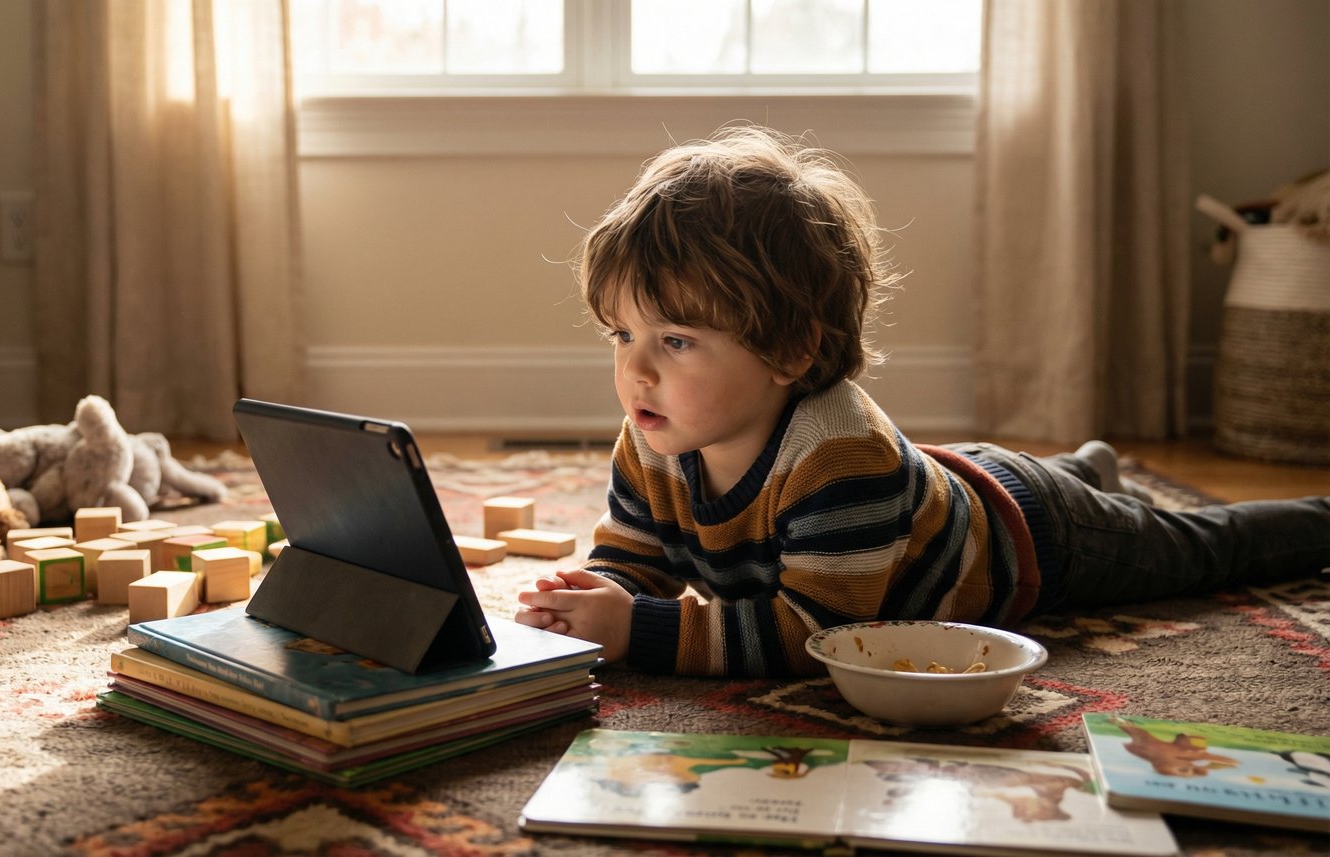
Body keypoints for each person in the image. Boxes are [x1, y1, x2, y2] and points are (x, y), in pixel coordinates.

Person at [513, 124, 1330, 677]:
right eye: (622, 336)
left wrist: (640, 632)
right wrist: (588, 599)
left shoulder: (839, 457)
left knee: (1200, 547)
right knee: (1002, 484)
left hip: (1030, 534)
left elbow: (815, 632)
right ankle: (1089, 467)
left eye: (677, 340)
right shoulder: (653, 432)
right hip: (944, 488)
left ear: (792, 349)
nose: (638, 372)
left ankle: (1299, 516)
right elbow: (636, 559)